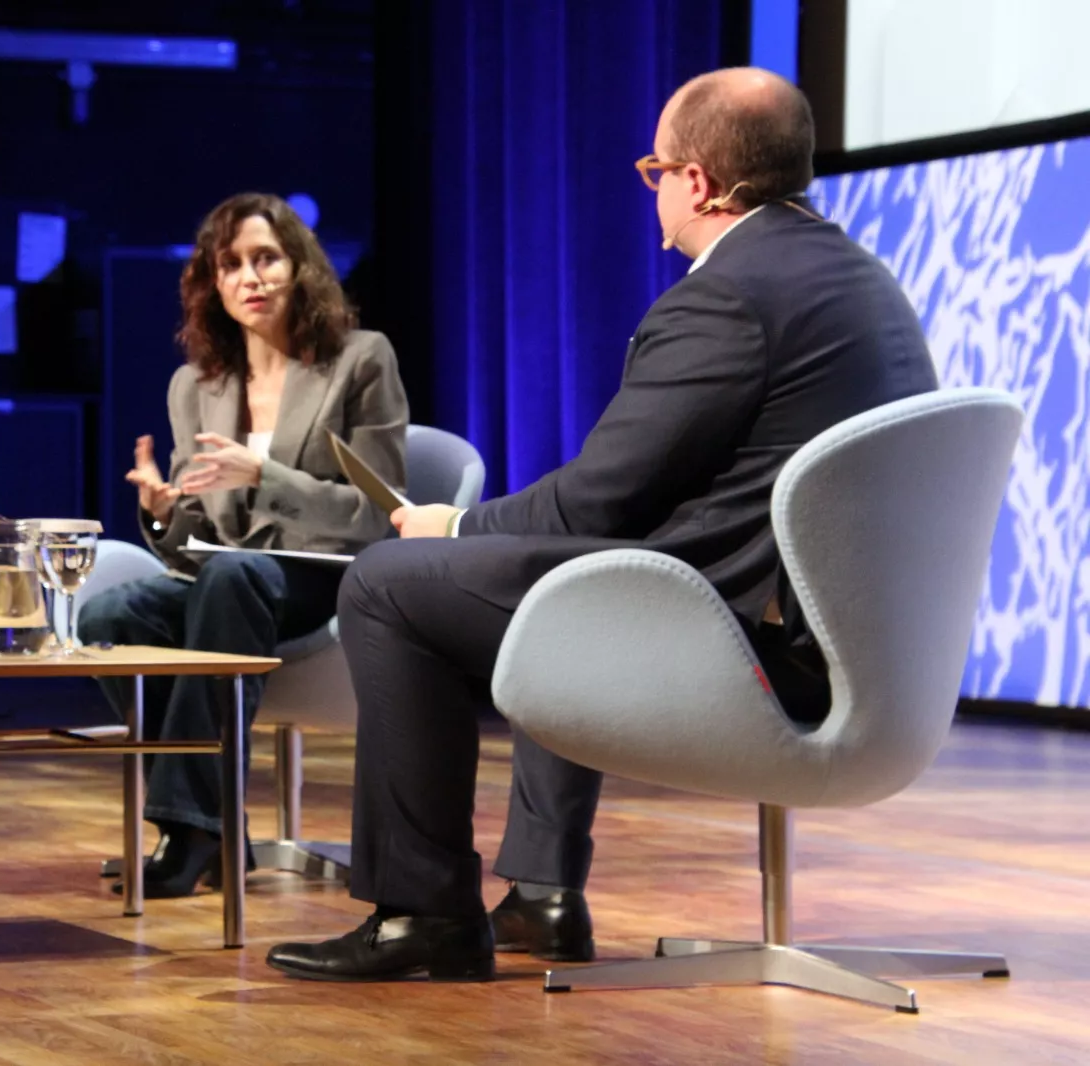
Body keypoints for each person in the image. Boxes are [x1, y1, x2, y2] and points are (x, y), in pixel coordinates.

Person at [265, 67, 940, 982]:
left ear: (697, 181)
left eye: (653, 170)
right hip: (861, 653)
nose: (652, 189)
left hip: (750, 653)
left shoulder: (727, 296)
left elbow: (598, 499)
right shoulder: (860, 278)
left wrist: (453, 529)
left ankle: (423, 913)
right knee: (576, 573)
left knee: (390, 584)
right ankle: (542, 897)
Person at [79, 192, 409, 898]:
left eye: (266, 259)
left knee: (232, 579)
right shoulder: (196, 386)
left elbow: (376, 513)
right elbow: (194, 542)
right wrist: (166, 513)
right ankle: (216, 826)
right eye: (231, 264)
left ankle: (191, 830)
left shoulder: (359, 360)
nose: (250, 277)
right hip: (231, 579)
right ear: (213, 283)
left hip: (322, 578)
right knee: (108, 618)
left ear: (300, 267)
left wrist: (266, 473)